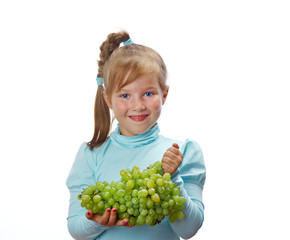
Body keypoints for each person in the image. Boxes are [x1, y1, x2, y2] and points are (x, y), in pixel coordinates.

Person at [66, 30, 206, 240]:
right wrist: (94, 221)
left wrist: (172, 177)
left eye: (148, 93)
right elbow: (76, 229)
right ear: (108, 99)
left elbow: (188, 230)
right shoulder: (91, 153)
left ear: (164, 94)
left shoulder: (182, 152)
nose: (138, 105)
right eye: (125, 95)